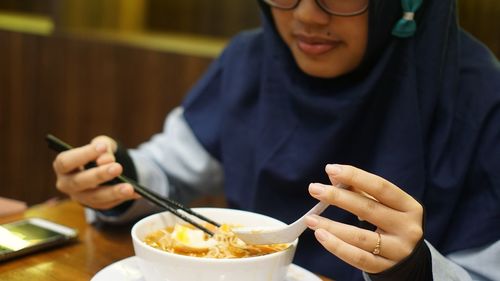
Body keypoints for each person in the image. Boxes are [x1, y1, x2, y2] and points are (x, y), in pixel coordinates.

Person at [51, 0, 500, 280]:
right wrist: (116, 177)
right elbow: (168, 171)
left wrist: (416, 271)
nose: (306, 14)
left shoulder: (479, 92)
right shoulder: (251, 58)